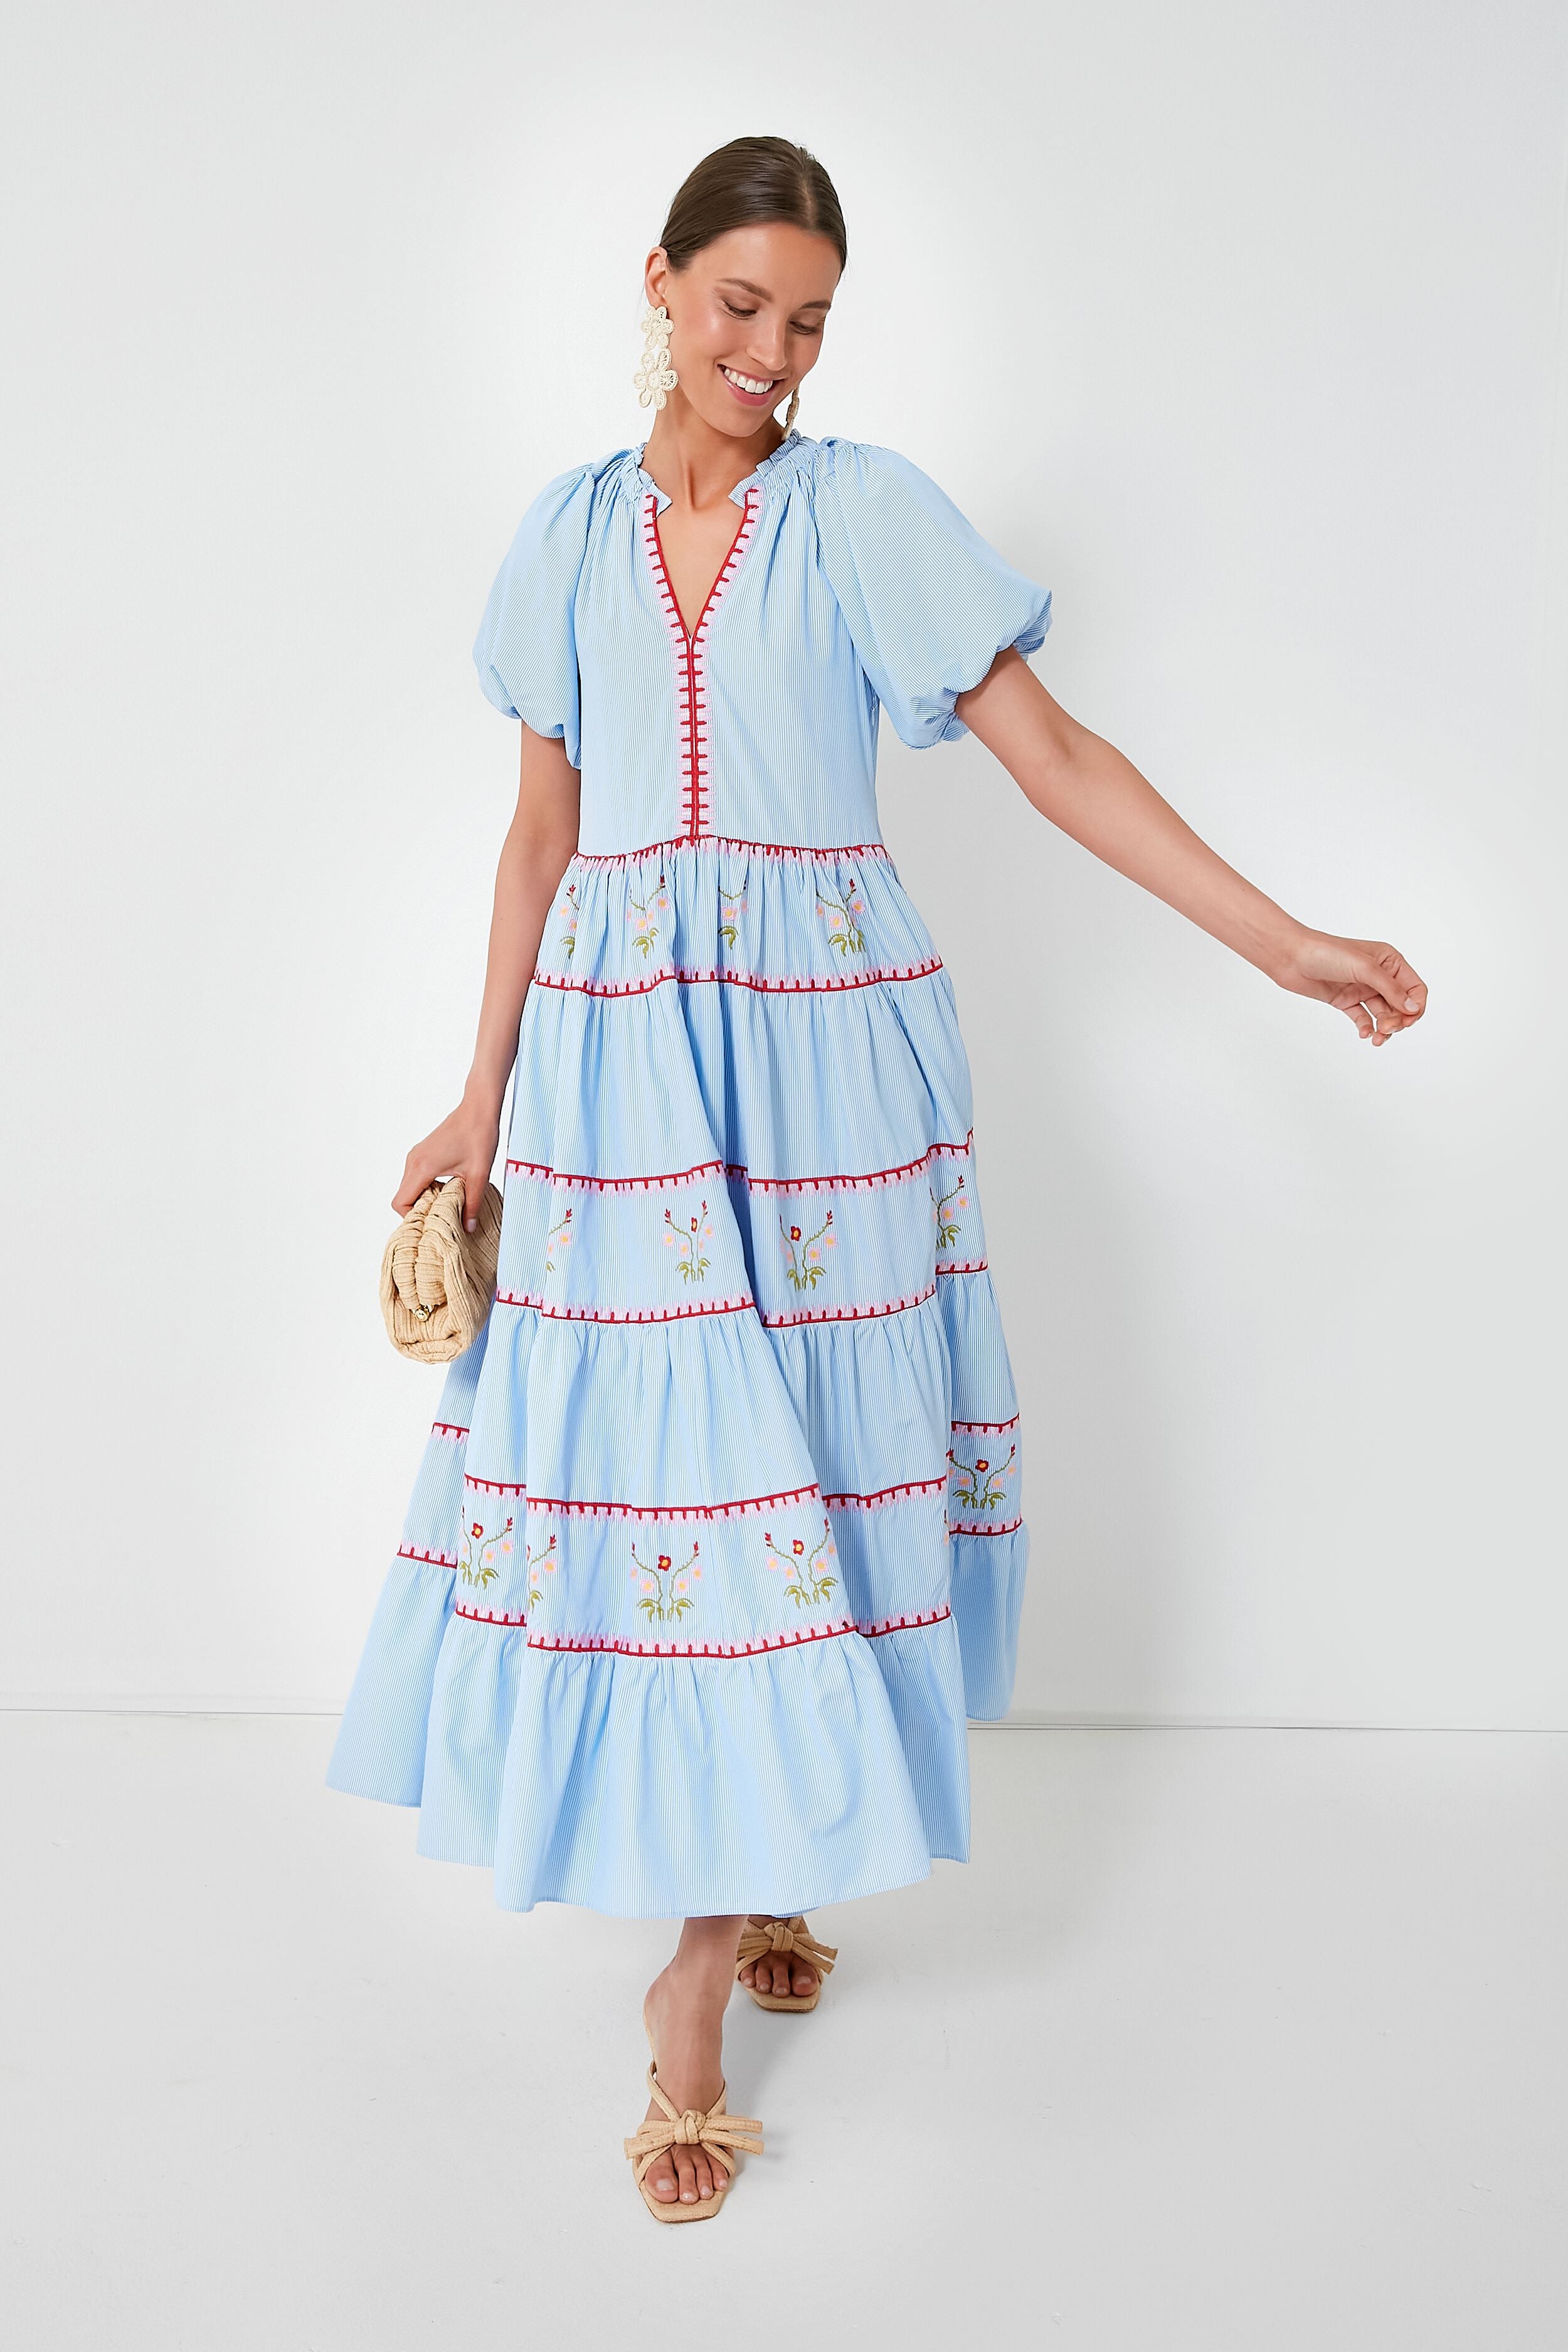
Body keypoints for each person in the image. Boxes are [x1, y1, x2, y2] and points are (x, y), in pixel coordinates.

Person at [325, 134, 1426, 2223]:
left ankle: (708, 1948)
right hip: (623, 1063)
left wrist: (1278, 942)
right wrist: (478, 1095)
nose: (770, 352)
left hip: (830, 1056)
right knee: (683, 1478)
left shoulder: (864, 515)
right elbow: (541, 836)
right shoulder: (561, 537)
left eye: (810, 321)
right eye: (739, 304)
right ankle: (732, 1905)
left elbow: (1056, 758)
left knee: (806, 1462)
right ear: (659, 282)